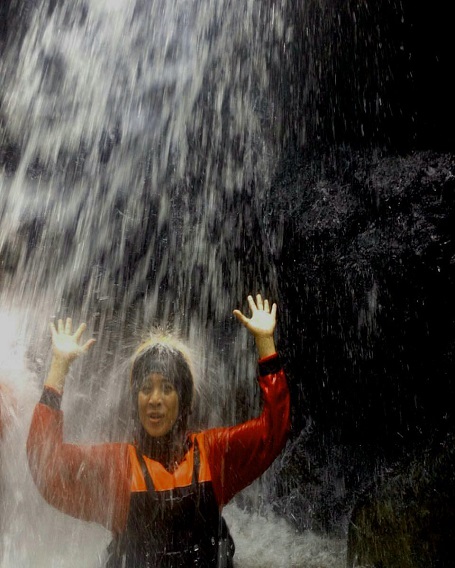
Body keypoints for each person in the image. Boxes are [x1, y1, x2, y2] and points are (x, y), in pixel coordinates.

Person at [26, 294, 290, 567]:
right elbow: (46, 467)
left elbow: (274, 430)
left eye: (167, 388)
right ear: (135, 399)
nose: (154, 400)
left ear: (183, 399)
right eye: (145, 389)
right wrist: (59, 367)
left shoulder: (213, 452)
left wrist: (265, 343)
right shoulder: (118, 467)